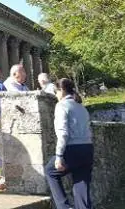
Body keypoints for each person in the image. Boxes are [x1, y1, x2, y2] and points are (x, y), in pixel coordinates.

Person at [45, 78, 93, 209]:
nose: (56, 95)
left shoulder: (61, 106)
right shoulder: (82, 107)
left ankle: (64, 206)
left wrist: (59, 156)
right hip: (88, 149)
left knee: (50, 171)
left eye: (56, 91)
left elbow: (63, 133)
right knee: (81, 185)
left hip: (72, 149)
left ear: (61, 90)